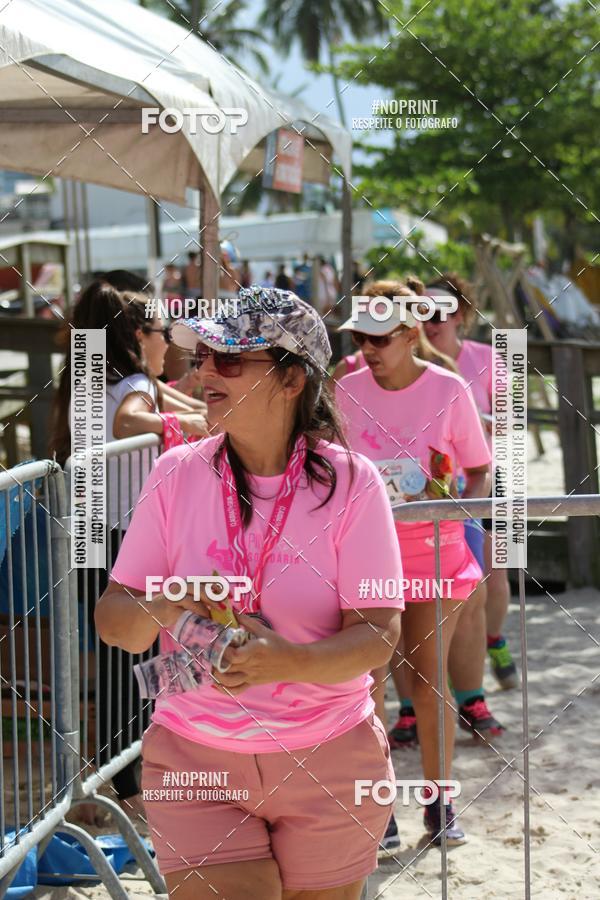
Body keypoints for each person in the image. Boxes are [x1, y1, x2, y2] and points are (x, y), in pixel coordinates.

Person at [95, 285, 404, 899]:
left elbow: (378, 636)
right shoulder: (174, 473)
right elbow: (115, 622)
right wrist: (165, 600)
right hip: (195, 764)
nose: (206, 371)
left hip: (330, 760)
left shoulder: (354, 482)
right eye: (202, 357)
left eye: (229, 359)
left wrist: (288, 661)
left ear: (293, 380)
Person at [335, 281, 491, 846]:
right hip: (364, 560)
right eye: (359, 336)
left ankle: (440, 804)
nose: (368, 347)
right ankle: (381, 814)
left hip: (436, 555)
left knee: (428, 685)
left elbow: (478, 468)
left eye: (379, 337)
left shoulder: (448, 387)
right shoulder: (344, 390)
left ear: (409, 333)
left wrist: (458, 510)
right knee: (366, 685)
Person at [50, 282, 208, 826]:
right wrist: (186, 426)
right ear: (140, 337)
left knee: (120, 662)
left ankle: (111, 773)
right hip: (124, 537)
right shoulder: (135, 383)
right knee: (136, 665)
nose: (172, 344)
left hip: (94, 532)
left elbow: (176, 400)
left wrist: (193, 408)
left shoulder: (92, 379)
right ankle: (126, 780)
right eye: (165, 334)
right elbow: (133, 421)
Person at [423, 273, 519, 692]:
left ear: (460, 315)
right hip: (431, 487)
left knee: (495, 575)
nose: (431, 321)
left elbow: (514, 422)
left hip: (490, 476)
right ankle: (441, 674)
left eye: (441, 311)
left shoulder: (488, 358)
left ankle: (493, 640)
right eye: (421, 311)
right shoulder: (408, 363)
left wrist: (479, 426)